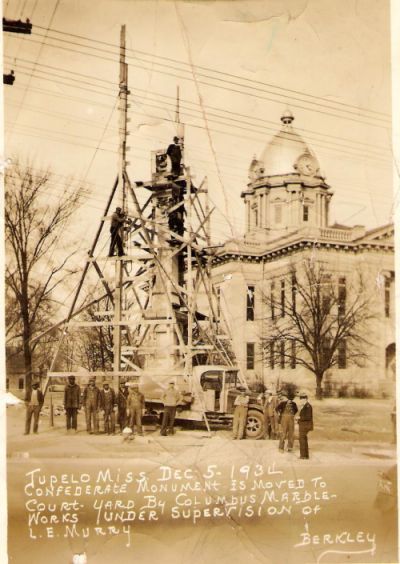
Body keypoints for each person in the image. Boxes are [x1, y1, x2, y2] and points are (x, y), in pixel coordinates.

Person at [297, 393, 313, 459]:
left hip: (305, 425)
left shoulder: (308, 406)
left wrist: (299, 418)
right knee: (304, 440)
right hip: (303, 425)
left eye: (302, 399)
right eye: (301, 399)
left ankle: (303, 455)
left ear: (306, 399)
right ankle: (306, 455)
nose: (301, 401)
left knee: (302, 440)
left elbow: (308, 417)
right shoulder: (305, 406)